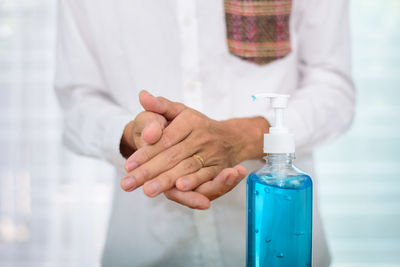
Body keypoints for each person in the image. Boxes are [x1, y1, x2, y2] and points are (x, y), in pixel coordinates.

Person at [55, 0, 355, 266]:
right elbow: (78, 97)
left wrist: (245, 136)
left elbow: (332, 86)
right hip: (143, 245)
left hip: (282, 245)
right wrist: (138, 137)